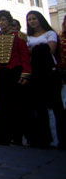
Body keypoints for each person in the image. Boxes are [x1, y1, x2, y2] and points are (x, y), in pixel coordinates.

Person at [0, 10, 32, 146]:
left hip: (15, 73)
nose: (1, 23)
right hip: (0, 74)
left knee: (17, 106)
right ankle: (0, 137)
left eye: (3, 20)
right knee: (0, 107)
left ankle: (17, 137)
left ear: (9, 21)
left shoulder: (19, 36)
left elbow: (24, 57)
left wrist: (26, 73)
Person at [26, 10, 65, 149]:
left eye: (34, 18)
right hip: (35, 72)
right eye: (29, 19)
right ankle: (44, 139)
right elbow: (27, 52)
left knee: (57, 107)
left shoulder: (50, 33)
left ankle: (63, 140)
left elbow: (51, 50)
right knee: (39, 107)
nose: (32, 21)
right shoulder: (28, 37)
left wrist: (34, 50)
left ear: (40, 19)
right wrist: (38, 49)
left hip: (49, 71)